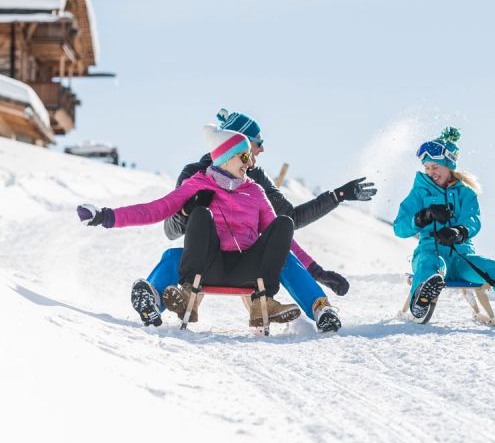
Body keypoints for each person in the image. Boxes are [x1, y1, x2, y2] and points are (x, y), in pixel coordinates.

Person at [131, 108, 377, 332]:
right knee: (173, 257)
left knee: (284, 258)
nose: (261, 150)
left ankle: (321, 308)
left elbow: (287, 220)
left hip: (248, 261)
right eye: (257, 143)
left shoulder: (255, 180)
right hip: (205, 260)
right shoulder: (194, 174)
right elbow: (171, 230)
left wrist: (337, 197)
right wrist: (187, 212)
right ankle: (151, 302)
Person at [77, 127, 308, 327]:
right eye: (244, 157)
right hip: (209, 266)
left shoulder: (255, 190)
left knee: (284, 223)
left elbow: (281, 240)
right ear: (226, 157)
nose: (250, 163)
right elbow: (157, 209)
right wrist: (105, 217)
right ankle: (185, 294)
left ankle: (262, 301)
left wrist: (314, 270)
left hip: (249, 268)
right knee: (199, 214)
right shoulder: (197, 183)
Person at [393, 127, 495, 324]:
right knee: (430, 265)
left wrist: (459, 231)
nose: (430, 172)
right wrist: (424, 216)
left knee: (489, 267)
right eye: (427, 168)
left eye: (435, 167)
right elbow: (399, 228)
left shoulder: (465, 193)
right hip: (430, 251)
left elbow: (473, 219)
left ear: (449, 165)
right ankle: (421, 299)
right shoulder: (419, 193)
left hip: (462, 257)